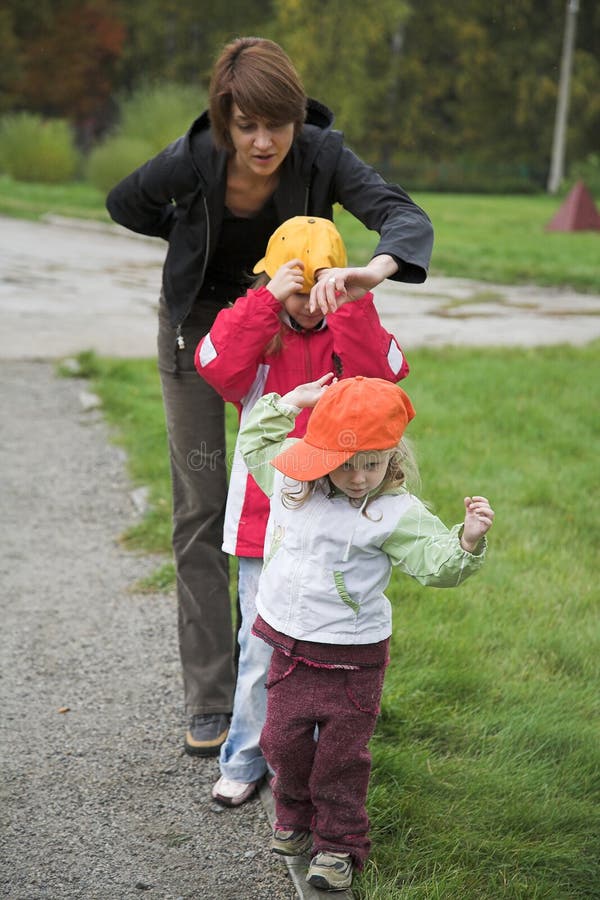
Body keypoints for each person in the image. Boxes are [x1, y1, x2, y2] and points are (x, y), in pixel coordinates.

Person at [105, 35, 434, 757]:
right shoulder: (193, 156)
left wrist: (373, 272)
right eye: (246, 125)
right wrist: (185, 231)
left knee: (299, 498)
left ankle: (291, 685)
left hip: (292, 334)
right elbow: (124, 200)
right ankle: (211, 699)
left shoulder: (322, 152)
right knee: (201, 504)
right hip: (201, 333)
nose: (263, 141)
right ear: (224, 118)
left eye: (275, 125)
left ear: (296, 118)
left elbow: (403, 216)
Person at [238, 374, 494, 892]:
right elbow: (256, 442)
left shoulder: (393, 513)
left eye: (373, 463)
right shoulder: (292, 484)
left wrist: (466, 540)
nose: (358, 477)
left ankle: (339, 845)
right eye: (346, 463)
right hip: (288, 645)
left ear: (393, 457)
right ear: (320, 453)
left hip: (354, 659)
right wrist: (289, 402)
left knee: (340, 759)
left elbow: (433, 563)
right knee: (281, 742)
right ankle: (293, 815)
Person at [195, 215, 410, 806]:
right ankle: (243, 757)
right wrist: (266, 302)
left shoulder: (346, 338)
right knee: (261, 648)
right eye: (300, 290)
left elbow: (386, 376)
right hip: (266, 522)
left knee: (328, 651)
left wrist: (351, 304)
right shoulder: (258, 335)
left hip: (337, 527)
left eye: (320, 289)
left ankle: (308, 764)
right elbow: (213, 363)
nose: (309, 306)